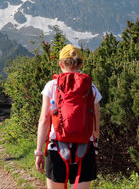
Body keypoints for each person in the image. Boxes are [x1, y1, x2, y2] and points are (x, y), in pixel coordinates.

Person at [35, 44, 101, 189]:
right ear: (81, 64)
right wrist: (95, 148)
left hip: (56, 149)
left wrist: (39, 152)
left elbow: (44, 120)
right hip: (85, 149)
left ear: (60, 64)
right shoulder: (91, 87)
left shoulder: (51, 86)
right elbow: (96, 124)